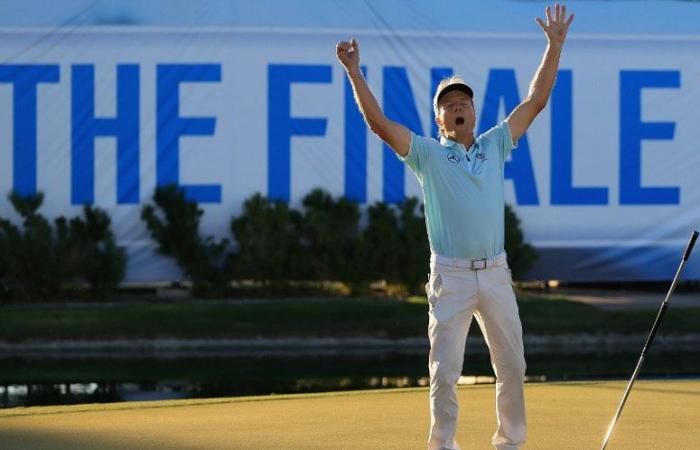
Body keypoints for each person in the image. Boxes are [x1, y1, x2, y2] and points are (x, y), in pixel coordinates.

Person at [336, 3, 574, 450]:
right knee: (445, 370)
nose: (458, 105)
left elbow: (536, 100)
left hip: (496, 272)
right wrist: (354, 72)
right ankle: (442, 446)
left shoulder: (495, 143)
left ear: (473, 111)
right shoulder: (427, 153)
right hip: (451, 276)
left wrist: (554, 46)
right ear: (439, 119)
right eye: (448, 103)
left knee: (512, 365)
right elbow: (379, 124)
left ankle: (511, 443)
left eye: (463, 100)